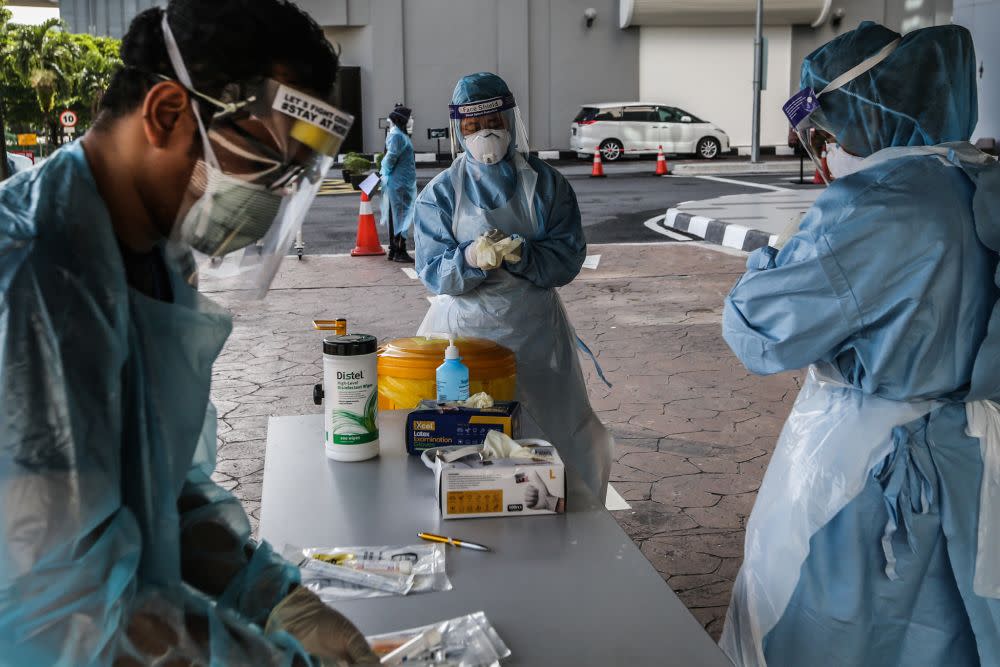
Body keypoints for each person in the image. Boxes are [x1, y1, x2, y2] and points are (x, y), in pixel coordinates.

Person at [0, 1, 377, 664]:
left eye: (293, 177)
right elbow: (60, 608)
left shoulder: (157, 255)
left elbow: (163, 483)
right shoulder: (32, 276)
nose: (270, 197)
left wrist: (270, 597)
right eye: (263, 159)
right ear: (169, 113)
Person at [720, 22, 1000, 666]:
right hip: (969, 451)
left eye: (830, 130)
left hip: (871, 462)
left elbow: (759, 331)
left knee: (835, 618)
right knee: (949, 619)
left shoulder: (873, 205)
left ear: (871, 112)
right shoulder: (978, 177)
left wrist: (773, 257)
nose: (827, 151)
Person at [414, 72, 614, 499]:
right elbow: (432, 271)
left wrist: (526, 256)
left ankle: (572, 521)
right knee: (471, 438)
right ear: (458, 130)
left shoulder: (546, 185)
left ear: (509, 121)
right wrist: (469, 259)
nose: (485, 134)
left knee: (558, 430)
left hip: (536, 332)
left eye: (494, 123)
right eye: (471, 127)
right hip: (464, 339)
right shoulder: (441, 193)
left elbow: (566, 258)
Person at [380, 104, 416, 263]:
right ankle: (399, 250)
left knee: (398, 216)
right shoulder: (397, 136)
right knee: (401, 216)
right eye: (409, 119)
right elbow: (390, 158)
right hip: (399, 183)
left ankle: (394, 250)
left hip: (401, 182)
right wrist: (384, 171)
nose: (411, 121)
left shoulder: (399, 135)